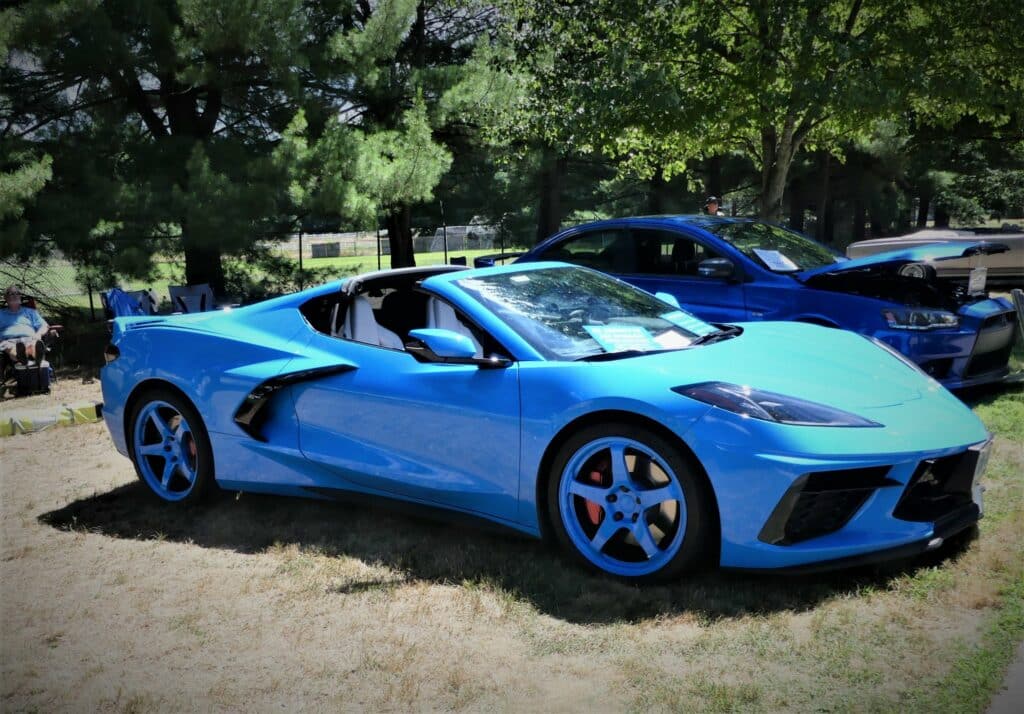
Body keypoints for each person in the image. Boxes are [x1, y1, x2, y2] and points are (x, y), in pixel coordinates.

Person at [1, 285, 49, 365]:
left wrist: (38, 334)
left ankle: (35, 358)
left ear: (20, 296)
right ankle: (22, 357)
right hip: (8, 340)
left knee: (34, 344)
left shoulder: (30, 312)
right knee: (11, 348)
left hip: (30, 338)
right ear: (6, 297)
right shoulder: (1, 314)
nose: (15, 296)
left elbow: (44, 325)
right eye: (11, 293)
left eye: (17, 293)